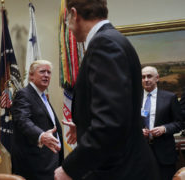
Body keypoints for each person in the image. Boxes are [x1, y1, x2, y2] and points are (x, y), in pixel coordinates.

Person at [54, 0, 160, 179]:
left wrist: (70, 168)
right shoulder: (113, 39)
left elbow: (110, 123)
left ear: (74, 14)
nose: (68, 26)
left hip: (120, 170)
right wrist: (84, 125)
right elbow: (118, 109)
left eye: (67, 19)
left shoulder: (103, 44)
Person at [11, 60, 64, 180]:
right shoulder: (23, 94)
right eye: (42, 71)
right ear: (31, 76)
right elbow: (22, 120)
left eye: (49, 72)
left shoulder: (42, 96)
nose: (46, 75)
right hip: (34, 165)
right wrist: (41, 136)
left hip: (49, 161)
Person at [141, 66, 184, 180]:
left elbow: (179, 123)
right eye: (143, 77)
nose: (146, 80)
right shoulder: (134, 98)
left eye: (149, 76)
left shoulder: (170, 97)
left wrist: (164, 129)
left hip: (164, 154)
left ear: (157, 78)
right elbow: (128, 123)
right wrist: (138, 131)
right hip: (141, 153)